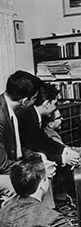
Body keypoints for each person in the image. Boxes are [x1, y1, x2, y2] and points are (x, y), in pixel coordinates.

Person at [17, 82, 81, 200]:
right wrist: (62, 158)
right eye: (55, 104)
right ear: (47, 104)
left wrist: (65, 150)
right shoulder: (27, 117)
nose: (56, 108)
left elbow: (44, 141)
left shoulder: (34, 115)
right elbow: (33, 151)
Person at [0, 70, 42, 203]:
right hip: (3, 172)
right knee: (35, 184)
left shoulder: (9, 109)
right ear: (25, 101)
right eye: (34, 98)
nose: (35, 102)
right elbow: (2, 165)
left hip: (8, 167)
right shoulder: (0, 117)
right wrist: (28, 169)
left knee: (42, 170)